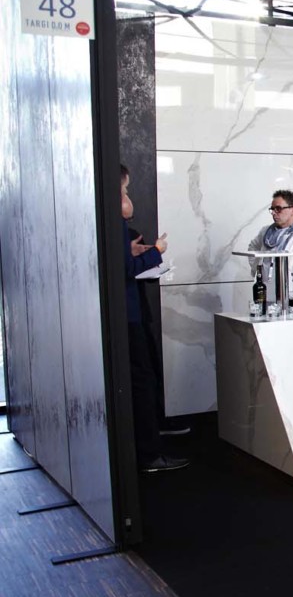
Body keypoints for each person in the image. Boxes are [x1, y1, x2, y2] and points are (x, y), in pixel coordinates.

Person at [121, 166, 188, 473]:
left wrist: (134, 252)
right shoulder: (114, 223)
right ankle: (149, 454)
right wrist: (156, 251)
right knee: (141, 381)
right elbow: (126, 269)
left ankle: (151, 441)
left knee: (144, 378)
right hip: (128, 316)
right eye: (125, 190)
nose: (127, 198)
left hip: (132, 314)